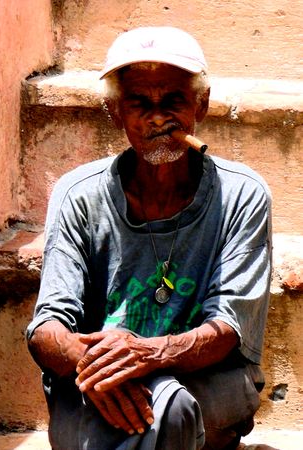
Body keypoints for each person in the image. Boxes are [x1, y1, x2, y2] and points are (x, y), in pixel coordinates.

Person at [27, 26, 272, 450]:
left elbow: (230, 328)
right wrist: (94, 366)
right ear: (114, 112)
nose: (157, 117)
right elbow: (47, 326)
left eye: (173, 100)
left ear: (202, 105)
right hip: (98, 382)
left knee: (170, 411)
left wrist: (149, 355)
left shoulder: (242, 194)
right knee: (143, 421)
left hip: (203, 377)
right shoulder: (78, 194)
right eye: (140, 102)